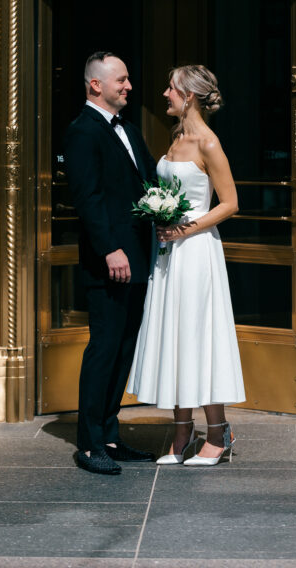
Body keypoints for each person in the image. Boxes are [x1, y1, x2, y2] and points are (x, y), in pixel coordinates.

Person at [127, 64, 245, 466]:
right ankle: (181, 432)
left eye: (171, 89)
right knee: (176, 335)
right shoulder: (177, 136)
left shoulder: (208, 143)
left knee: (198, 334)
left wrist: (186, 229)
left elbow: (229, 203)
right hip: (169, 254)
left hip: (195, 252)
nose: (165, 94)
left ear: (189, 95)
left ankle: (217, 433)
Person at [63, 51, 157, 475]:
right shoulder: (82, 131)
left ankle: (111, 435)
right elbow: (88, 197)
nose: (129, 86)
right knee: (103, 348)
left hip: (137, 257)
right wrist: (109, 249)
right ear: (95, 85)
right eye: (121, 80)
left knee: (123, 348)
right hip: (110, 261)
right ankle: (89, 444)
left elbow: (145, 184)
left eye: (128, 79)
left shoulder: (130, 130)